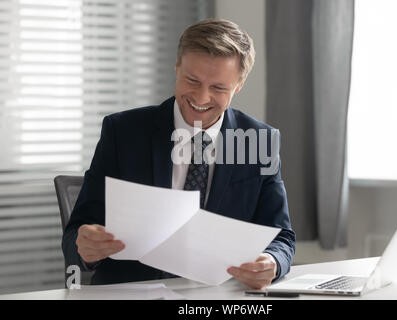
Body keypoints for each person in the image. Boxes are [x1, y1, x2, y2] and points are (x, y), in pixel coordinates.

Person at [62, 18, 295, 290]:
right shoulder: (123, 132)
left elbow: (282, 236)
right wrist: (86, 248)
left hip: (218, 297)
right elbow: (76, 233)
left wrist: (271, 261)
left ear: (239, 85)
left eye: (218, 88)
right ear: (176, 68)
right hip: (132, 294)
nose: (201, 97)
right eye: (192, 80)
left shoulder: (260, 142)